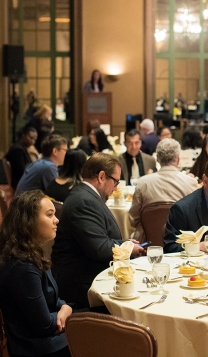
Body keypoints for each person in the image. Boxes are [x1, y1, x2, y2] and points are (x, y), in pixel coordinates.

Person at [51, 153, 144, 309]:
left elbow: (98, 239)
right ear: (101, 177)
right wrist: (127, 249)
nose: (116, 188)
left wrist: (125, 244)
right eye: (115, 182)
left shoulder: (86, 196)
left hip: (87, 274)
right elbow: (98, 249)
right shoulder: (84, 201)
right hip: (82, 285)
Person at [0, 190, 73, 357]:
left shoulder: (30, 254)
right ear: (29, 221)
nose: (57, 220)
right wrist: (65, 311)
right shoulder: (22, 265)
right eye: (49, 215)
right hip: (37, 348)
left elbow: (54, 300)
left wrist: (65, 308)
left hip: (46, 340)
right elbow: (44, 326)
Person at [129, 139, 198, 241]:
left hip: (148, 244)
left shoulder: (142, 183)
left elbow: (133, 220)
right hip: (181, 245)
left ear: (157, 159)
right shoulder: (190, 183)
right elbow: (194, 220)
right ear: (178, 159)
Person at [4, 126, 37, 190]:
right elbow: (21, 171)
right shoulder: (17, 150)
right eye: (31, 138)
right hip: (20, 183)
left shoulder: (22, 148)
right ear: (23, 135)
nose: (33, 142)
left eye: (35, 140)